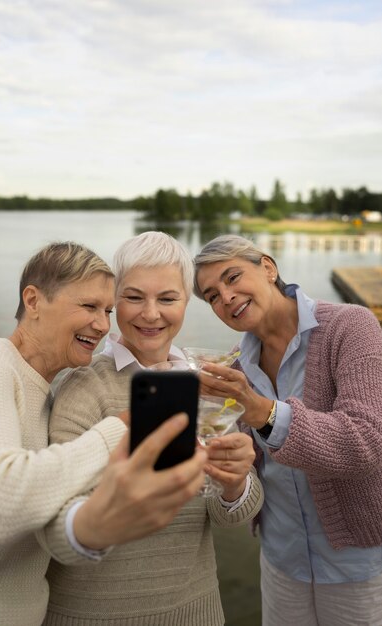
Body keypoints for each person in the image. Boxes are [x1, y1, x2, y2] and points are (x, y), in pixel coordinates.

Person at [0, 241, 209, 626]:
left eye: (108, 310)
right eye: (88, 306)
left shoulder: (48, 391)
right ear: (33, 301)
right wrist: (119, 429)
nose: (102, 324)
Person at [42, 231, 263, 626]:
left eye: (167, 299)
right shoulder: (82, 386)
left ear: (185, 303)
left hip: (196, 610)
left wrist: (235, 483)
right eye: (133, 297)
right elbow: (55, 529)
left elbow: (230, 515)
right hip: (90, 614)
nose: (150, 313)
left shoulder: (209, 383)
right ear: (114, 300)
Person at [193, 234, 382, 626]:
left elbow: (367, 440)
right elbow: (246, 468)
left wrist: (261, 410)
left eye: (232, 278)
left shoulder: (352, 326)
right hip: (281, 563)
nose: (225, 297)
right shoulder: (235, 367)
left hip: (360, 565)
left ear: (267, 267)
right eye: (211, 295)